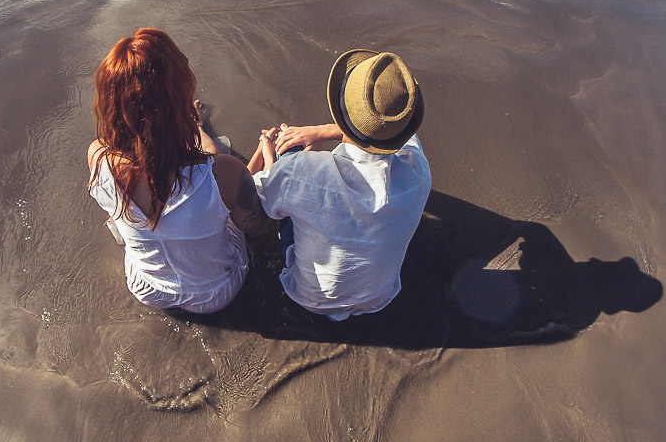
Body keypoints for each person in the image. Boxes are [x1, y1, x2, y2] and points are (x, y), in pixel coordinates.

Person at [87, 28, 273, 314]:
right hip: (215, 294)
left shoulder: (98, 157)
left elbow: (136, 154)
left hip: (146, 287)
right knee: (221, 169)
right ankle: (200, 130)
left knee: (212, 175)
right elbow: (261, 229)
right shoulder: (223, 172)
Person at [249, 49, 432, 321]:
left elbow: (253, 202)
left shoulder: (299, 173)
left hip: (309, 298)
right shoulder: (419, 170)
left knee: (288, 157)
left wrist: (271, 160)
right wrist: (323, 131)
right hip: (379, 299)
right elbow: (403, 134)